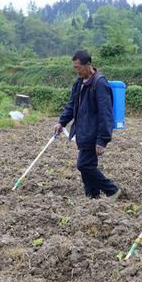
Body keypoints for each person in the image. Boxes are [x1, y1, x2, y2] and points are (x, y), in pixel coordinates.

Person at [53, 50, 121, 200]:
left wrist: (102, 139)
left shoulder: (100, 83)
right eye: (75, 68)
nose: (77, 71)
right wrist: (62, 122)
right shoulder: (79, 82)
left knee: (84, 165)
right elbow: (72, 105)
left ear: (88, 65)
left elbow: (106, 113)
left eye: (79, 68)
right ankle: (92, 196)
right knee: (87, 167)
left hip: (93, 133)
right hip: (81, 131)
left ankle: (112, 190)